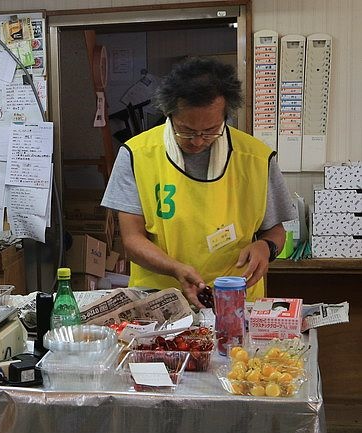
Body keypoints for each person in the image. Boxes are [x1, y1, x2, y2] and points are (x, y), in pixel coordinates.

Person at [101, 57, 297, 308]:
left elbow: (275, 230)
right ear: (169, 113)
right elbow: (132, 239)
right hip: (161, 300)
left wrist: (265, 247)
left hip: (237, 298)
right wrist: (176, 269)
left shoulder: (256, 158)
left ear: (226, 116)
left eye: (211, 130)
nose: (198, 140)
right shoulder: (137, 154)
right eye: (187, 130)